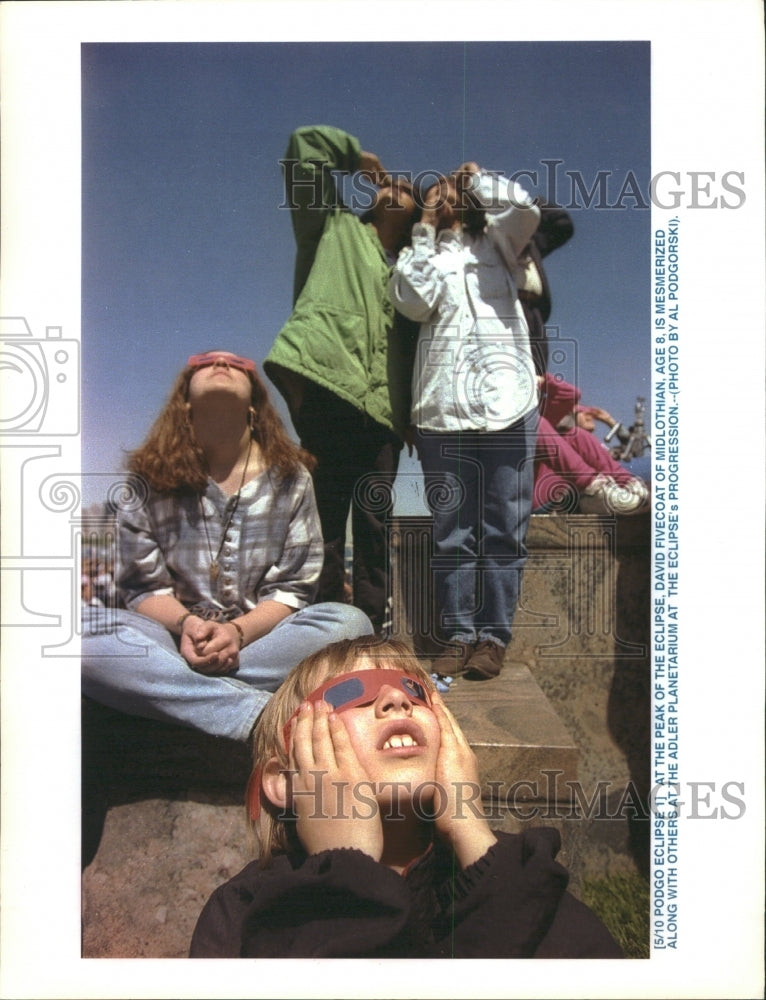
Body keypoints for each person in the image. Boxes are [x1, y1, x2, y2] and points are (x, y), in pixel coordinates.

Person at [189, 635, 623, 958]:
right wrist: (344, 873)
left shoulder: (518, 872)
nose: (397, 698)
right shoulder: (244, 911)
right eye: (350, 694)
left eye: (417, 692)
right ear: (283, 781)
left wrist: (474, 834)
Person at [81, 350, 372, 742]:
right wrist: (189, 626)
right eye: (205, 362)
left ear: (254, 402)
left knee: (350, 625)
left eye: (237, 364)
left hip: (261, 639)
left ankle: (169, 690)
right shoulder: (147, 479)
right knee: (80, 632)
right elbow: (143, 587)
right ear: (184, 400)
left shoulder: (291, 477)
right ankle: (258, 715)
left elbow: (293, 588)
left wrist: (236, 632)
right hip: (170, 637)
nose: (221, 362)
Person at [264, 125, 420, 635]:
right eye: (388, 183)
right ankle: (328, 627)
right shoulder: (330, 227)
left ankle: (371, 628)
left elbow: (412, 352)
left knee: (375, 524)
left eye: (405, 188)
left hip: (383, 416)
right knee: (326, 517)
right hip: (329, 391)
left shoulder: (409, 276)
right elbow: (303, 151)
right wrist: (359, 156)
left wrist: (411, 417)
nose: (393, 185)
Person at [389, 164, 541, 680]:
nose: (446, 192)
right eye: (437, 190)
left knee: (505, 527)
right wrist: (425, 227)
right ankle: (457, 634)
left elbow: (526, 210)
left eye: (454, 188)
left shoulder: (499, 244)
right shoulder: (423, 253)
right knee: (452, 529)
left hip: (509, 401)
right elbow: (411, 301)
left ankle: (492, 638)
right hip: (442, 407)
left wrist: (480, 177)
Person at [534, 374, 649, 515]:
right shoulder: (532, 423)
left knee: (575, 436)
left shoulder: (577, 440)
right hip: (541, 500)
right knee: (539, 424)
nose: (590, 415)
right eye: (584, 412)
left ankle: (627, 483)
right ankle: (593, 489)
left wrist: (540, 379)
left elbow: (570, 394)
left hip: (577, 491)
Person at [515, 201, 574, 377]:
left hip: (534, 313)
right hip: (510, 307)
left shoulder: (532, 244)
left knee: (537, 375)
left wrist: (529, 203)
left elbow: (563, 224)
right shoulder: (493, 240)